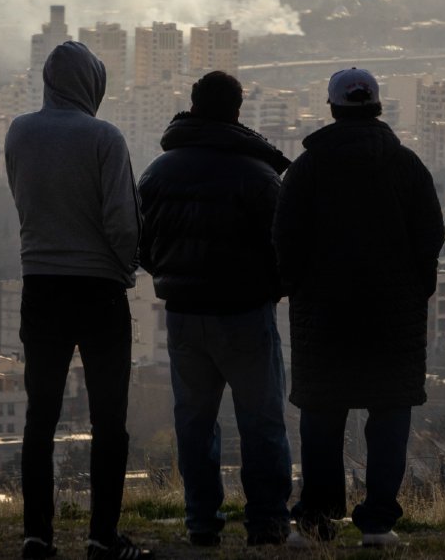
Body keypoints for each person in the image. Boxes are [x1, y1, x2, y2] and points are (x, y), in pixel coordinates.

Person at [273, 67, 445, 548]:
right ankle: (378, 524)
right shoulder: (407, 165)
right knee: (389, 414)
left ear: (332, 108)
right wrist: (416, 291)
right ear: (377, 106)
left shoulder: (307, 169)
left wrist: (299, 287)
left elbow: (284, 237)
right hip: (394, 320)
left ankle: (315, 519)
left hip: (324, 318)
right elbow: (431, 236)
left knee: (322, 415)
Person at [5, 40, 152, 560]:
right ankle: (100, 537)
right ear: (93, 84)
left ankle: (36, 537)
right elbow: (121, 220)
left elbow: (23, 199)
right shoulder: (104, 138)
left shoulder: (19, 132)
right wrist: (125, 267)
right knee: (108, 418)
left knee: (40, 416)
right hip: (98, 290)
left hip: (40, 285)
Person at [137, 71, 294, 548]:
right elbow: (285, 249)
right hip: (245, 313)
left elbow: (140, 243)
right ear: (238, 110)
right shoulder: (259, 176)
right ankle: (266, 522)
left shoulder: (158, 172)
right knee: (262, 421)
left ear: (193, 104)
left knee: (195, 420)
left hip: (184, 316)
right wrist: (271, 289)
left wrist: (171, 277)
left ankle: (201, 521)